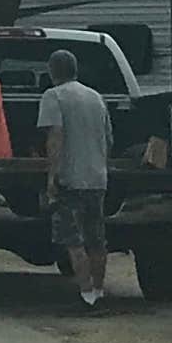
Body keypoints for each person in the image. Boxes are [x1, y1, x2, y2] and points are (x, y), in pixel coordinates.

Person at [36, 47, 115, 309]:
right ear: (76, 70)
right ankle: (99, 290)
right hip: (97, 178)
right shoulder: (96, 97)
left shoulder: (53, 96)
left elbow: (55, 136)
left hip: (70, 179)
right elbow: (108, 138)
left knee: (73, 241)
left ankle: (86, 293)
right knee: (96, 240)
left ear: (51, 72)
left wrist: (52, 176)